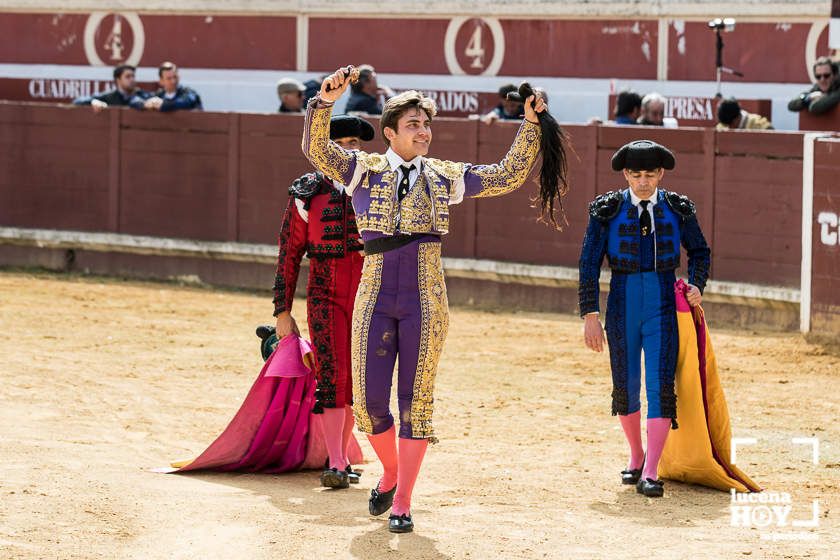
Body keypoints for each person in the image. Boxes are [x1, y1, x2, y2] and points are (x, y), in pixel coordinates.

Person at [304, 66, 561, 533]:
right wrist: (324, 104)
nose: (423, 132)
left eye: (426, 124)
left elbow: (506, 176)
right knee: (367, 403)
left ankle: (402, 499)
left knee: (415, 401)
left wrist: (528, 124)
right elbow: (316, 149)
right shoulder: (363, 169)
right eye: (413, 125)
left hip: (426, 294)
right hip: (376, 290)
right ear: (389, 133)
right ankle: (393, 471)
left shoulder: (445, 175)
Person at [578, 140, 710, 498]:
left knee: (659, 384)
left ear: (660, 174)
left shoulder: (678, 209)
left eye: (650, 174)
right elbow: (589, 264)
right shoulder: (607, 210)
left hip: (664, 301)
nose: (643, 182)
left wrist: (697, 284)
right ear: (625, 174)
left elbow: (700, 251)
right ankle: (636, 453)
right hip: (621, 301)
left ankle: (651, 468)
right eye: (636, 175)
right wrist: (590, 313)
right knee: (625, 382)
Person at [273, 114, 374, 489]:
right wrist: (282, 311)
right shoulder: (307, 192)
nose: (350, 150)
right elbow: (289, 253)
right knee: (332, 374)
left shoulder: (375, 183)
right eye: (341, 144)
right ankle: (335, 460)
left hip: (370, 291)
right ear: (323, 152)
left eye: (355, 144)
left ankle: (343, 454)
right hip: (324, 291)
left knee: (358, 378)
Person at [72, 64, 150, 112]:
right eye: (128, 77)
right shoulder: (110, 96)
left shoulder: (141, 95)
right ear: (118, 80)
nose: (132, 79)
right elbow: (77, 101)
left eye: (133, 76)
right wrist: (93, 101)